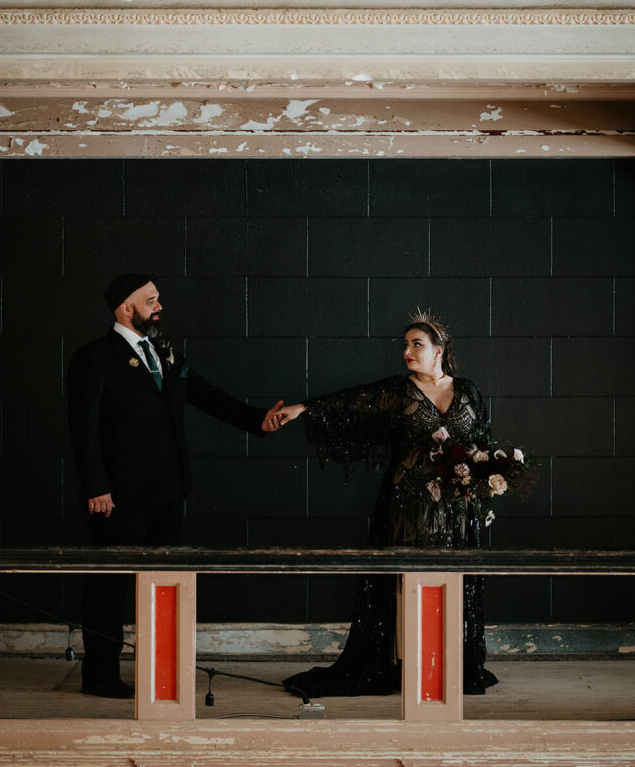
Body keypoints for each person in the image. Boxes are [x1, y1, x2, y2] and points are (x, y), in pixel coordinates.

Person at [67, 273, 284, 698]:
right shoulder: (94, 357)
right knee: (108, 588)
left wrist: (257, 420)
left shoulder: (164, 351)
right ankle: (99, 676)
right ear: (124, 308)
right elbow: (83, 428)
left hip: (168, 493)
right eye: (151, 300)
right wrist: (97, 487)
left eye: (158, 299)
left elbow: (206, 394)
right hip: (117, 497)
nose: (159, 306)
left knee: (165, 585)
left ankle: (160, 673)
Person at [276, 310, 498, 698]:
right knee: (405, 578)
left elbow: (484, 440)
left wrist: (487, 473)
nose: (408, 352)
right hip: (407, 502)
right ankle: (404, 661)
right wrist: (303, 409)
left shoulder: (469, 391)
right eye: (406, 346)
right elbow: (351, 402)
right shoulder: (399, 390)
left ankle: (451, 662)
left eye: (417, 345)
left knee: (454, 580)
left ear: (439, 350)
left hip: (458, 508)